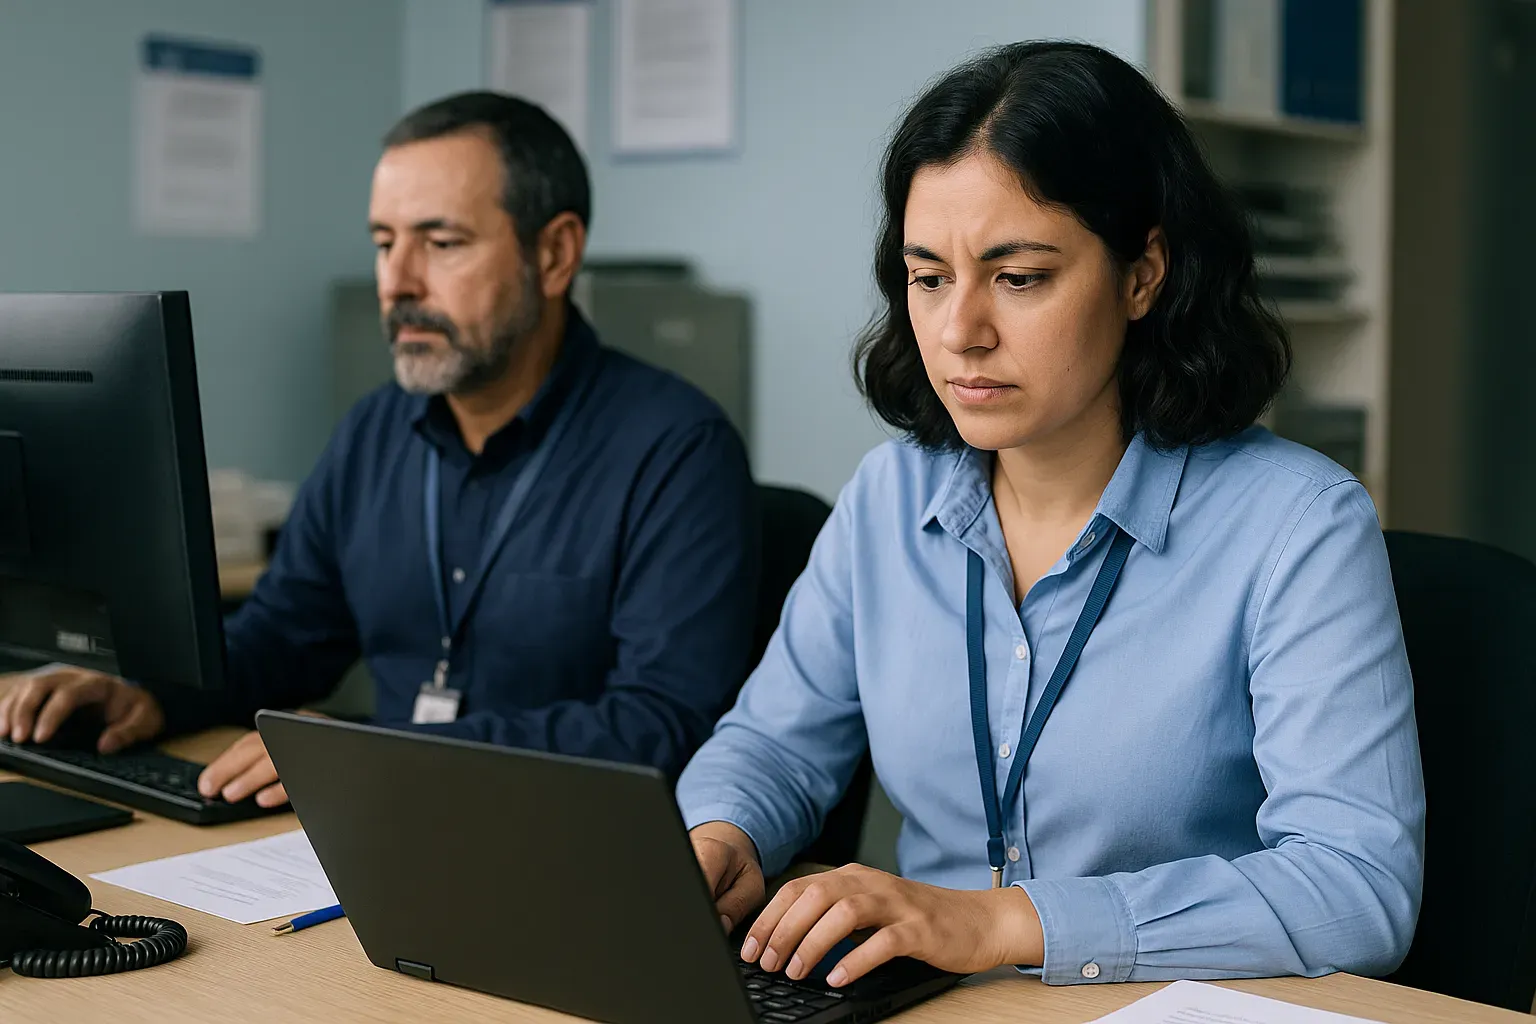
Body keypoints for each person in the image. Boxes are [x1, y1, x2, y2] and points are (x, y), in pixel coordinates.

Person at [679, 41, 1425, 990]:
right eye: (929, 278)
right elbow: (773, 742)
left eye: (1019, 277)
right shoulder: (887, 498)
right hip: (927, 1006)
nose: (961, 332)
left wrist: (1003, 922)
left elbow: (1357, 889)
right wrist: (723, 832)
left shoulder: (1299, 525)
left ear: (1143, 273)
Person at [0, 92, 759, 806]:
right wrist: (148, 691)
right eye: (384, 243)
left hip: (563, 837)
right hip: (386, 826)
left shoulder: (675, 449)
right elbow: (282, 637)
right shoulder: (375, 431)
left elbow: (662, 720)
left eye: (441, 243)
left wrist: (387, 754)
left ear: (556, 254)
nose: (396, 283)